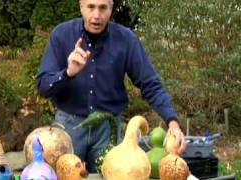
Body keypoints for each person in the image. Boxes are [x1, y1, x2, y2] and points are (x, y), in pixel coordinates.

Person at [36, 0, 186, 173]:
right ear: (81, 6)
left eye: (102, 8)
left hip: (108, 130)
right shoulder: (61, 35)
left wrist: (172, 122)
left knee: (112, 176)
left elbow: (150, 83)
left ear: (111, 8)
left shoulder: (126, 39)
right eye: (91, 7)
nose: (96, 16)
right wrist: (68, 73)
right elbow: (43, 86)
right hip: (69, 127)